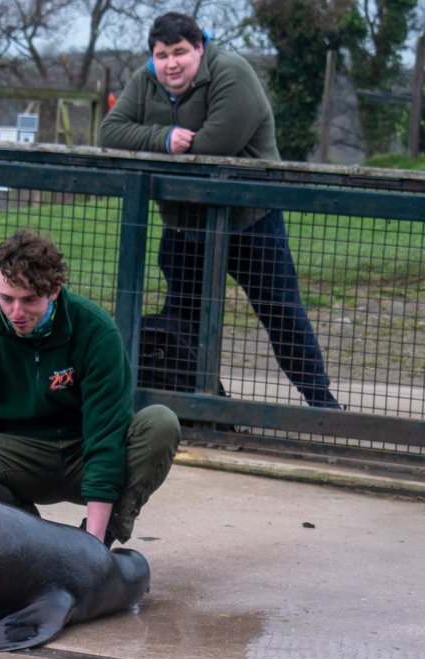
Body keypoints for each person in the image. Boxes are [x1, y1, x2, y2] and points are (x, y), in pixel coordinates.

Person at [99, 11, 340, 409]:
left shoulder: (232, 73)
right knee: (183, 319)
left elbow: (215, 145)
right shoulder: (146, 80)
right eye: (161, 55)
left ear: (200, 48)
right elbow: (110, 131)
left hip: (250, 220)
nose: (171, 63)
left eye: (180, 52)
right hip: (184, 225)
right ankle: (196, 404)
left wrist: (150, 145)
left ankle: (322, 404)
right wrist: (163, 138)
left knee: (280, 312)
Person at [0, 229, 180, 546]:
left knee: (161, 423)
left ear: (54, 290)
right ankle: (28, 540)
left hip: (83, 451)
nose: (16, 313)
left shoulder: (95, 330)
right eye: (6, 299)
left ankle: (99, 539)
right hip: (22, 455)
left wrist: (93, 543)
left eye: (29, 301)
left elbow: (105, 434)